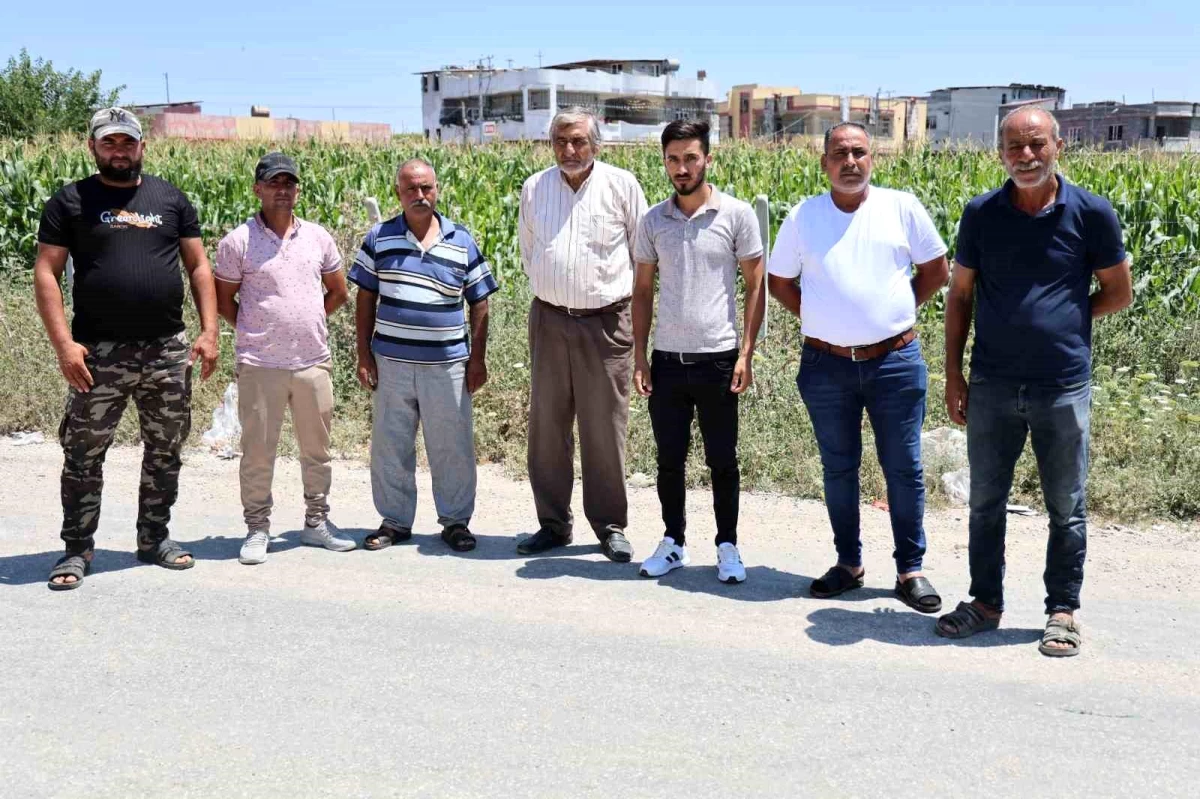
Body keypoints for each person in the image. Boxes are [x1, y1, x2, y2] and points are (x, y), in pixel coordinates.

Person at [936, 107, 1133, 657]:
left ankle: (1062, 611)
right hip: (992, 384)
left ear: (1057, 147)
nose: (1025, 156)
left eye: (1036, 144)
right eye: (1014, 147)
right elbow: (960, 295)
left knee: (1066, 505)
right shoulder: (981, 214)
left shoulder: (1091, 213)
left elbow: (1118, 292)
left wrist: (1068, 319)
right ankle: (985, 603)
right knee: (985, 502)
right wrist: (953, 374)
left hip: (1061, 386)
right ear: (1000, 153)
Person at [33, 107, 219, 590]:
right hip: (97, 354)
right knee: (83, 454)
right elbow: (46, 272)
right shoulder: (70, 201)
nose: (119, 151)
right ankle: (77, 548)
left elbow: (199, 266)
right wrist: (64, 345)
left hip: (166, 351)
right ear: (93, 147)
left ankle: (154, 538)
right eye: (109, 142)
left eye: (127, 142)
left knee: (165, 449)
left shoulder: (169, 198)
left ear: (142, 146)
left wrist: (209, 331)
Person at [766, 122, 949, 612]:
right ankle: (849, 564)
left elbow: (936, 270)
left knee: (904, 467)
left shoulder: (901, 207)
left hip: (895, 362)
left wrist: (893, 313)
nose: (850, 161)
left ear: (873, 158)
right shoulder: (804, 216)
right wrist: (822, 317)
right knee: (839, 467)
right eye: (839, 153)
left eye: (859, 152)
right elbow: (779, 282)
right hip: (826, 365)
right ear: (824, 162)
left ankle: (911, 569)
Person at [631, 119, 765, 584]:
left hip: (719, 359)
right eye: (673, 159)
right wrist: (640, 355)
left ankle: (727, 546)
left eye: (690, 158)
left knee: (722, 460)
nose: (682, 168)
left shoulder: (736, 215)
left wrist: (746, 353)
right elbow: (642, 291)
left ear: (708, 158)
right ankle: (673, 542)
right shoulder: (653, 221)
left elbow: (756, 286)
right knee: (669, 460)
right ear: (664, 162)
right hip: (667, 360)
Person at [516, 107, 648, 562]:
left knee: (604, 429)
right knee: (547, 428)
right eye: (561, 141)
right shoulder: (535, 187)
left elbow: (642, 257)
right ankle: (553, 524)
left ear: (596, 144)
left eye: (578, 141)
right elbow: (529, 251)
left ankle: (609, 525)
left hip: (606, 324)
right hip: (549, 319)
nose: (569, 150)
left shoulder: (622, 185)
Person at [349, 159, 499, 553]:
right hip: (391, 363)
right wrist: (363, 355)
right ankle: (395, 521)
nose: (420, 195)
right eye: (411, 189)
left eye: (427, 188)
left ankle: (456, 522)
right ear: (398, 193)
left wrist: (477, 359)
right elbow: (365, 297)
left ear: (437, 189)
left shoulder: (461, 239)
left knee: (452, 446)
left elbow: (480, 300)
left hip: (447, 365)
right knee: (391, 445)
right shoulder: (380, 238)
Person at [214, 152, 353, 565]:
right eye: (273, 183)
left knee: (318, 451)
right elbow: (224, 300)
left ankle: (316, 522)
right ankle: (258, 528)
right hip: (260, 364)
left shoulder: (318, 237)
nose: (282, 190)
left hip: (312, 362)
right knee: (258, 452)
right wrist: (257, 328)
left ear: (298, 190)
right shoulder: (238, 241)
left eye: (288, 183)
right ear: (257, 189)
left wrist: (308, 322)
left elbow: (338, 292)